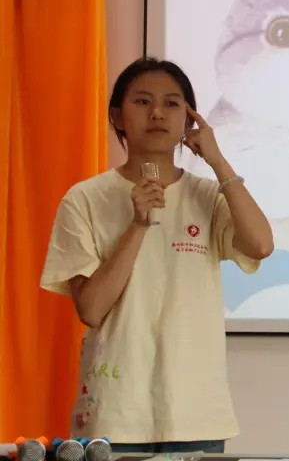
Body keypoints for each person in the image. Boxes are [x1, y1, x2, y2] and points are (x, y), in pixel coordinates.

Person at [39, 57, 275, 453]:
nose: (157, 113)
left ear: (189, 120)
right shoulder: (85, 199)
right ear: (117, 116)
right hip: (115, 415)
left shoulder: (208, 195)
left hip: (196, 414)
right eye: (142, 101)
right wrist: (137, 225)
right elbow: (91, 309)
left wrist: (218, 162)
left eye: (171, 103)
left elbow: (261, 245)